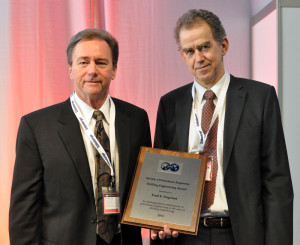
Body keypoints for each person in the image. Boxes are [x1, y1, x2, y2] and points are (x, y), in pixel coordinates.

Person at [151, 9, 293, 245]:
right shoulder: (169, 104)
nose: (198, 58)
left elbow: (276, 182)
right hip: (186, 236)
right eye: (190, 51)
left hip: (241, 234)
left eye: (205, 47)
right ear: (182, 55)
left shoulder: (260, 98)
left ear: (223, 45)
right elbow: (160, 175)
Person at [9, 28, 151, 245]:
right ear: (71, 70)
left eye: (101, 63)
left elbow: (146, 187)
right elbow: (23, 211)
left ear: (114, 70)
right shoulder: (36, 126)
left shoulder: (136, 119)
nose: (92, 70)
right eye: (83, 62)